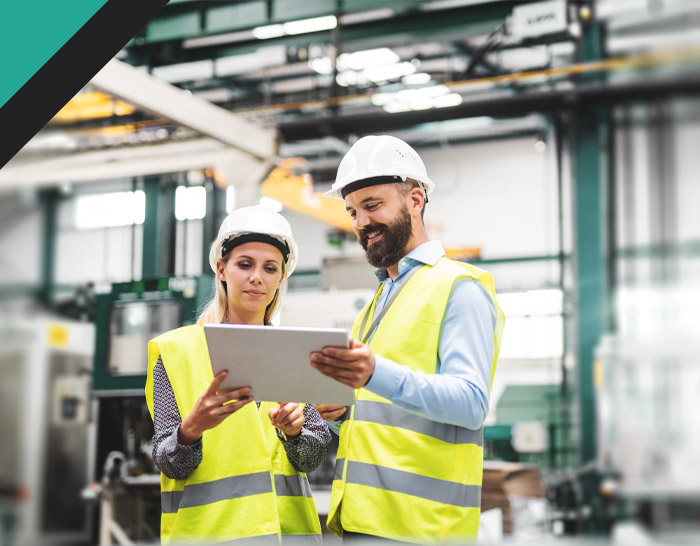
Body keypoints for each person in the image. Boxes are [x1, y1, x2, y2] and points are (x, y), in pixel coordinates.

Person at [311, 135, 505, 543]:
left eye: (372, 205)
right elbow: (389, 410)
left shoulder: (460, 287)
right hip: (364, 520)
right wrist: (344, 413)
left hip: (423, 528)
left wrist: (372, 373)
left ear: (415, 200)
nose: (361, 222)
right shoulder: (377, 303)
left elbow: (471, 403)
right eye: (352, 211)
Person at [145, 205, 330, 544]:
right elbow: (168, 463)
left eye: (269, 268)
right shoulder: (177, 352)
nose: (257, 276)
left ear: (281, 277)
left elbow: (312, 458)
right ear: (222, 269)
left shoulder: (296, 351)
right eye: (245, 264)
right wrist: (190, 431)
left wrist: (295, 433)